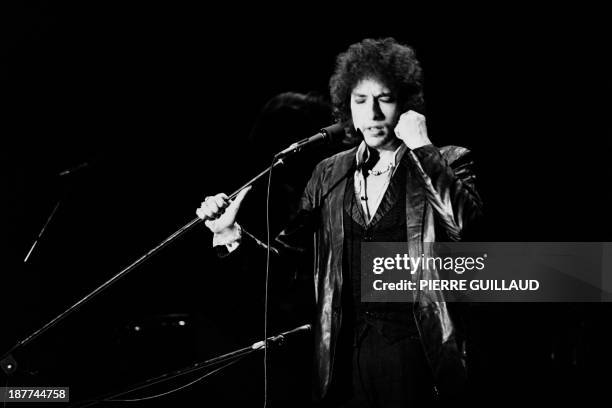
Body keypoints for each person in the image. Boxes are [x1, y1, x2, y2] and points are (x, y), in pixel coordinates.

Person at [196, 37, 483, 407]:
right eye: (360, 101)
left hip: (419, 358)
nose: (373, 114)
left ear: (407, 105)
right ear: (347, 107)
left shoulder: (448, 160)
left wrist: (423, 150)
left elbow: (468, 232)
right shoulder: (329, 173)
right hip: (345, 360)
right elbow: (284, 267)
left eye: (385, 99)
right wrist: (231, 235)